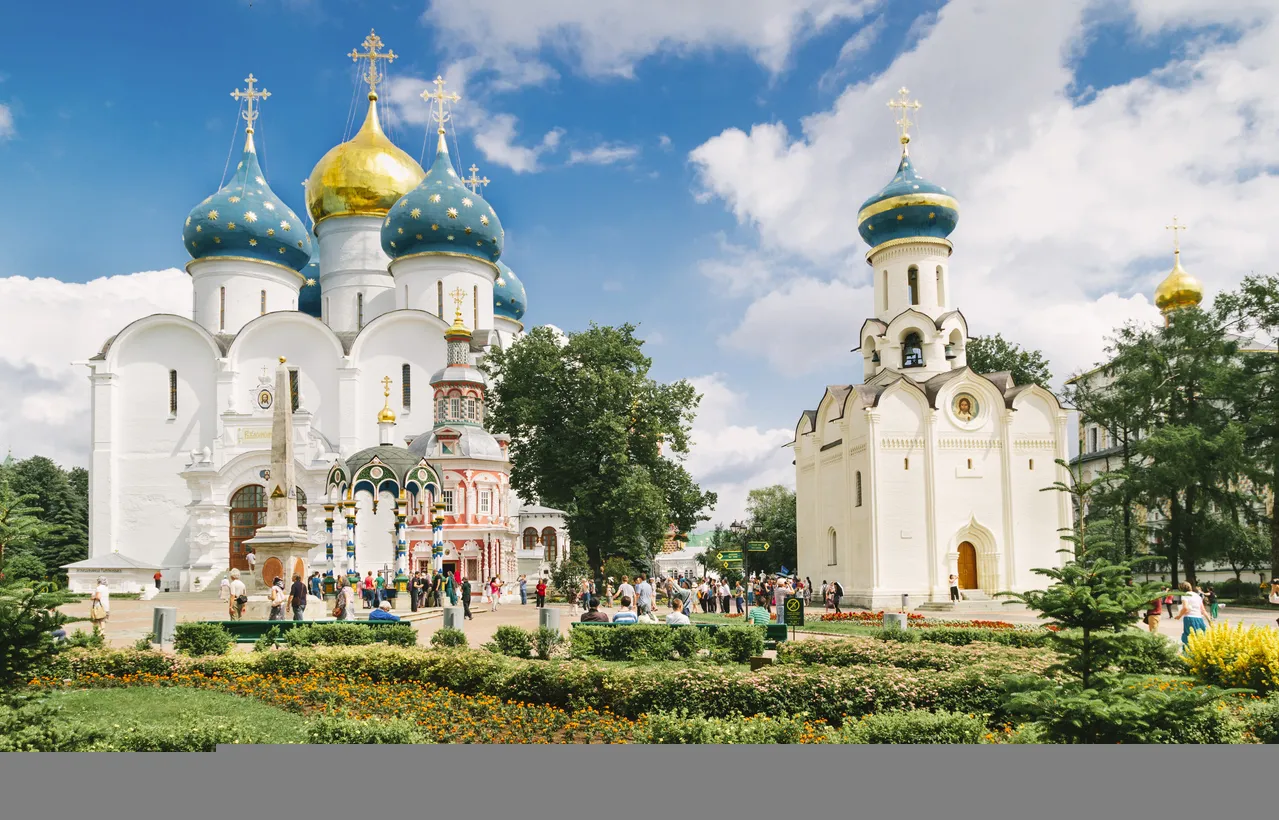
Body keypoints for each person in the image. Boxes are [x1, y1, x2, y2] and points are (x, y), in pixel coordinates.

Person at [1174, 580, 1211, 648]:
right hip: (1199, 618)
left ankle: (1188, 654)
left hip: (1189, 618)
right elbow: (1203, 610)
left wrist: (1179, 616)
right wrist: (1209, 620)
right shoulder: (1197, 596)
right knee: (1200, 636)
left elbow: (1185, 608)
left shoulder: (1185, 596)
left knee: (1189, 637)